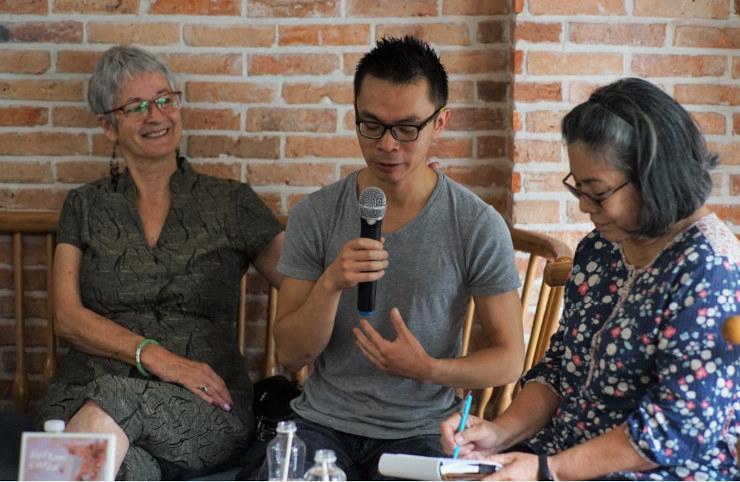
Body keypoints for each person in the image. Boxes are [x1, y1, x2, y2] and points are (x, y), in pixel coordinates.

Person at [440, 77, 739, 480]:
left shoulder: (709, 269)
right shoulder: (602, 248)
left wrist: (549, 471)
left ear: (654, 176)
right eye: (577, 188)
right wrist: (498, 432)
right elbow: (564, 366)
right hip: (564, 456)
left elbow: (676, 428)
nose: (583, 205)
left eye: (597, 193)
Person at [257, 36, 524, 480]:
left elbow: (510, 358)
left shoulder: (476, 223)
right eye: (372, 125)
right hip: (323, 424)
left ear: (440, 123)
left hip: (420, 430)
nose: (387, 145)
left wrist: (430, 369)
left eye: (406, 128)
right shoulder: (317, 213)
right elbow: (290, 353)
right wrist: (330, 283)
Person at [38, 45, 284, 480]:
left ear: (179, 106)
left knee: (101, 424)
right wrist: (156, 357)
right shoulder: (85, 206)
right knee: (129, 466)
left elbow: (303, 283)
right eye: (135, 107)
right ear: (108, 125)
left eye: (165, 100)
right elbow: (68, 317)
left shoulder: (230, 204)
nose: (156, 116)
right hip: (87, 391)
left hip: (203, 405)